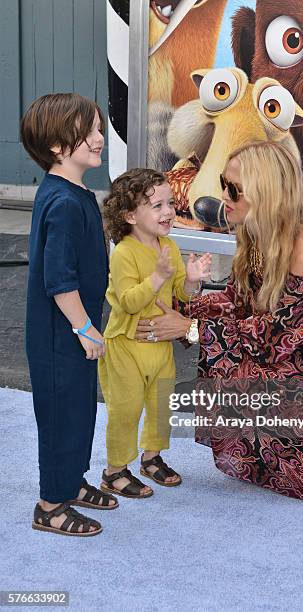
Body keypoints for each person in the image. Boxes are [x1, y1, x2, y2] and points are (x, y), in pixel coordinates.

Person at [135, 141, 303, 502]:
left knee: (248, 374)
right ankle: (267, 455)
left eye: (233, 188)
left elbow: (271, 338)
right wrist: (182, 306)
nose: (223, 195)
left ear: (264, 193)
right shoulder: (255, 233)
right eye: (224, 182)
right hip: (289, 347)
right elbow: (238, 305)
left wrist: (189, 328)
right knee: (235, 362)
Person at [21, 93, 118, 537]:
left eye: (99, 129)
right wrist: (84, 328)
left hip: (75, 333)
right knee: (62, 413)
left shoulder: (74, 192)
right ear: (59, 146)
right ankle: (50, 504)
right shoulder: (61, 202)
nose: (100, 138)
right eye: (91, 132)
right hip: (60, 336)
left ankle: (71, 482)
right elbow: (59, 280)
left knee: (81, 409)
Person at [98, 168, 211, 498]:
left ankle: (151, 457)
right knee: (126, 410)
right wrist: (158, 278)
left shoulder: (170, 248)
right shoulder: (123, 253)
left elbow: (183, 297)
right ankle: (114, 471)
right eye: (157, 206)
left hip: (160, 344)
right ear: (130, 215)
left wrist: (192, 279)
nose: (168, 212)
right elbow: (130, 302)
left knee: (162, 405)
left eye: (170, 203)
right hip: (126, 346)